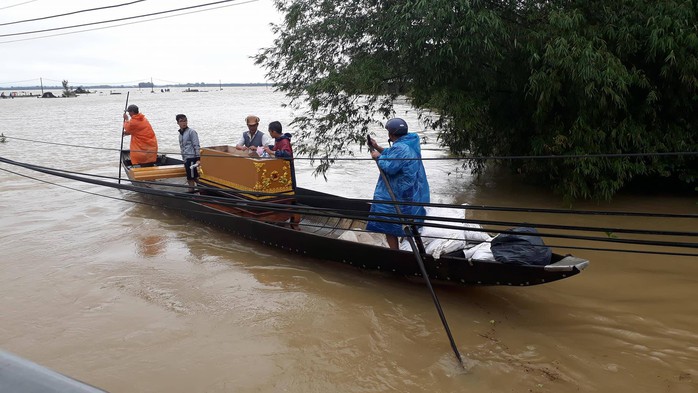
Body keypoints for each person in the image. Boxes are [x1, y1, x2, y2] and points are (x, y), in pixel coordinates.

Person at [366, 118, 430, 249]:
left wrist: (378, 157)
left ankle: (395, 253)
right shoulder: (409, 142)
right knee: (407, 224)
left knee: (390, 226)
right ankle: (407, 249)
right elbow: (392, 155)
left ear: (391, 134)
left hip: (399, 193)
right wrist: (377, 147)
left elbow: (390, 166)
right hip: (410, 192)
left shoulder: (401, 148)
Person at [176, 114, 201, 192]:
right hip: (186, 159)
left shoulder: (191, 132)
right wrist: (184, 160)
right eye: (181, 121)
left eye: (185, 120)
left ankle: (192, 192)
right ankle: (204, 189)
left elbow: (196, 145)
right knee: (193, 177)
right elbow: (182, 148)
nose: (184, 123)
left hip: (192, 158)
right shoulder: (180, 134)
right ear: (177, 123)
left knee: (191, 178)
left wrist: (198, 159)